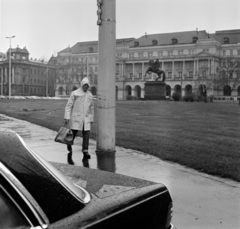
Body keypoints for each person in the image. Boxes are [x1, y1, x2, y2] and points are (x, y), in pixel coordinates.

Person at [64, 77, 94, 164]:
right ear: (82, 85)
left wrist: (91, 118)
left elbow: (92, 107)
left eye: (87, 86)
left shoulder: (90, 95)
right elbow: (69, 106)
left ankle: (85, 150)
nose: (86, 87)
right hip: (77, 117)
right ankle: (69, 143)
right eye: (84, 86)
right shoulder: (75, 93)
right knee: (74, 132)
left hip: (86, 118)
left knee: (86, 134)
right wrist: (67, 117)